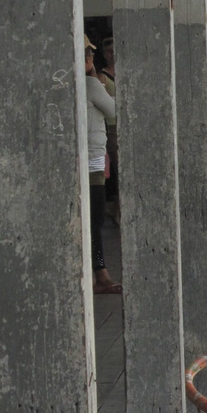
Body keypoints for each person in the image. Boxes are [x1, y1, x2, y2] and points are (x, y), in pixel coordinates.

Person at [85, 35, 121, 294]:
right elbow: (114, 111)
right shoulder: (91, 84)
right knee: (95, 219)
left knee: (90, 219)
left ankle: (97, 272)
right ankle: (100, 273)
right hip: (93, 160)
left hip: (83, 158)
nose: (90, 57)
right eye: (87, 53)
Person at [97, 35, 120, 226]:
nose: (112, 55)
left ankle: (117, 208)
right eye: (108, 52)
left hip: (124, 125)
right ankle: (115, 208)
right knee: (119, 169)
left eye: (114, 50)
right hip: (112, 128)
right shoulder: (102, 76)